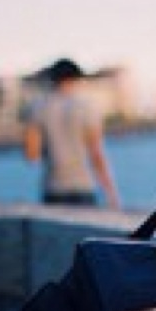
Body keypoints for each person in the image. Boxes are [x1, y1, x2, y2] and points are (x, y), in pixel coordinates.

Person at [23, 58, 120, 208]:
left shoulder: (37, 107)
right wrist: (111, 192)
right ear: (76, 78)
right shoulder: (87, 107)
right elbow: (96, 154)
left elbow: (31, 155)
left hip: (52, 187)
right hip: (83, 186)